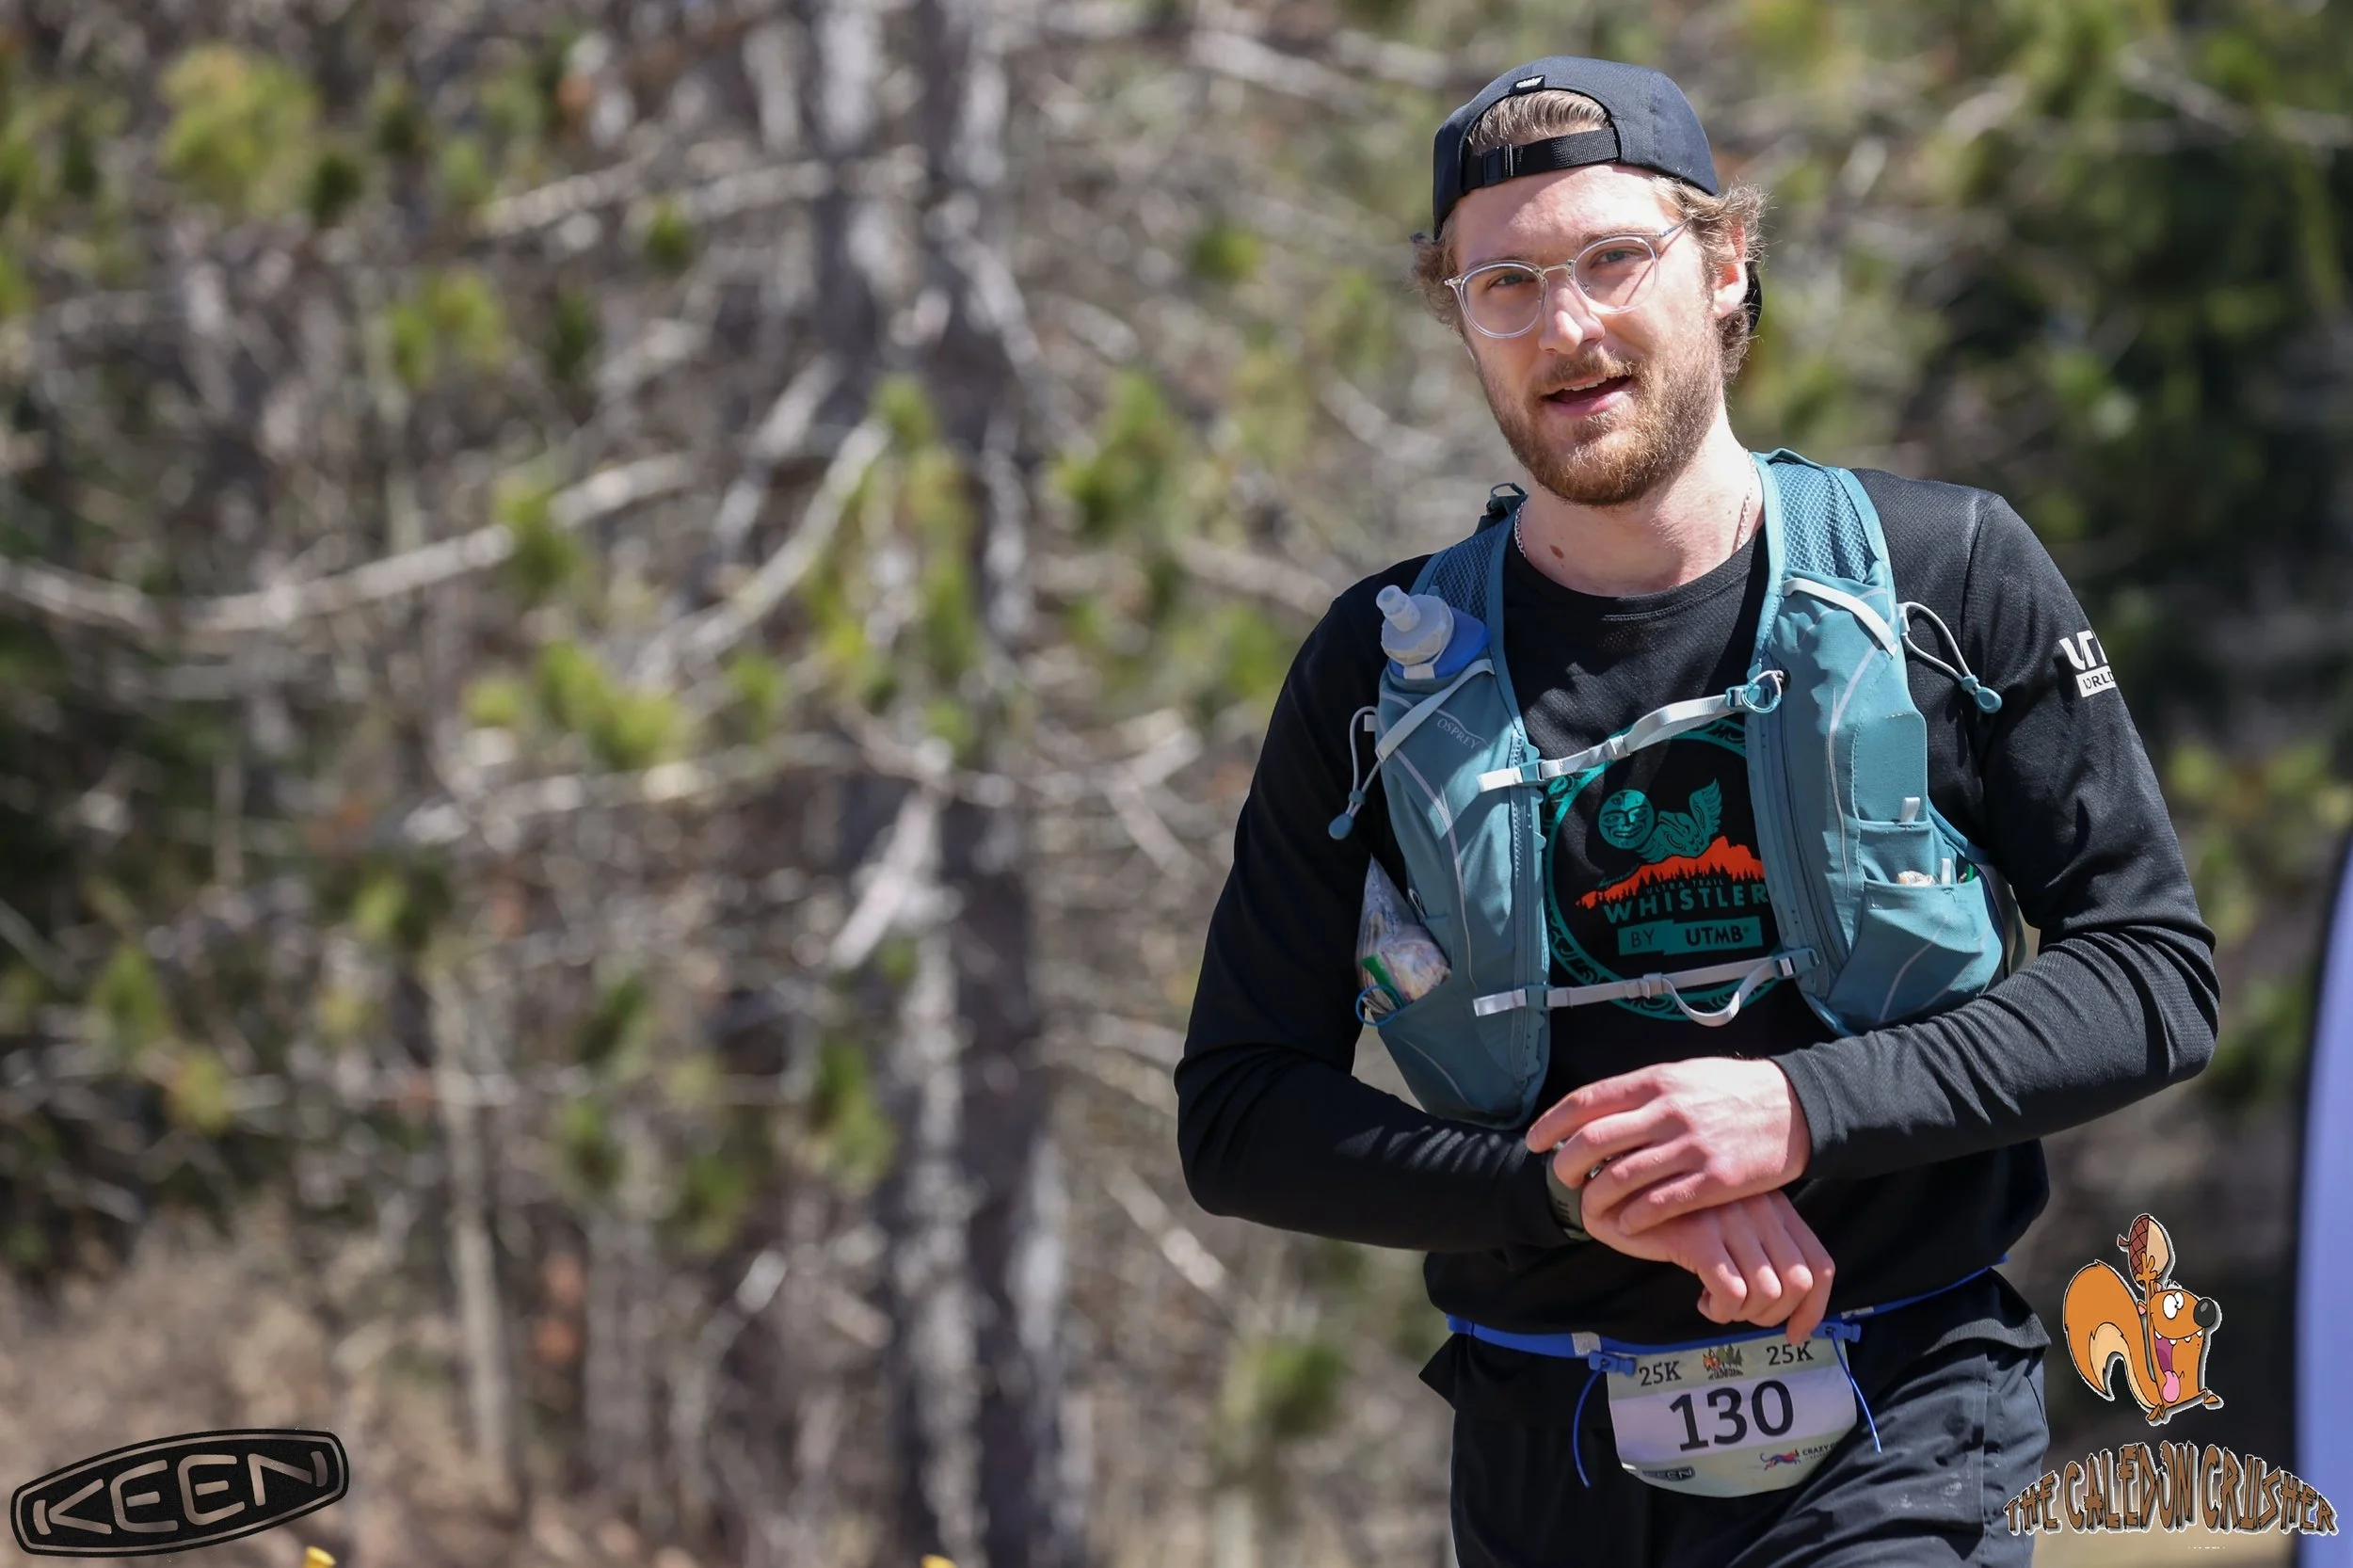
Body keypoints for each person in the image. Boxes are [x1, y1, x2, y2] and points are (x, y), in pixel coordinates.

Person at [1175, 55, 2217, 1568]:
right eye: (1505, 282)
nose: (1567, 324)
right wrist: (1565, 1192)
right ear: (1456, 317)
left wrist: (1796, 1110)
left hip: (1902, 1427)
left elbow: (2153, 974)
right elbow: (1239, 1111)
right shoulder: (1375, 666)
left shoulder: (1944, 576)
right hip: (1546, 1459)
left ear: (1724, 265)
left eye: (1613, 259)